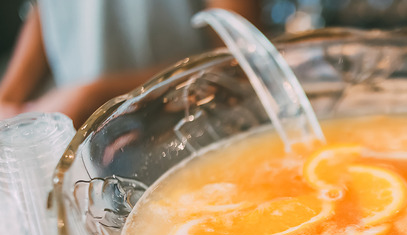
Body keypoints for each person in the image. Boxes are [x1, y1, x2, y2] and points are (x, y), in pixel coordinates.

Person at [0, 0, 258, 126]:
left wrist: (96, 97)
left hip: (190, 130)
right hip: (77, 141)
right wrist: (7, 97)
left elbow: (239, 57)